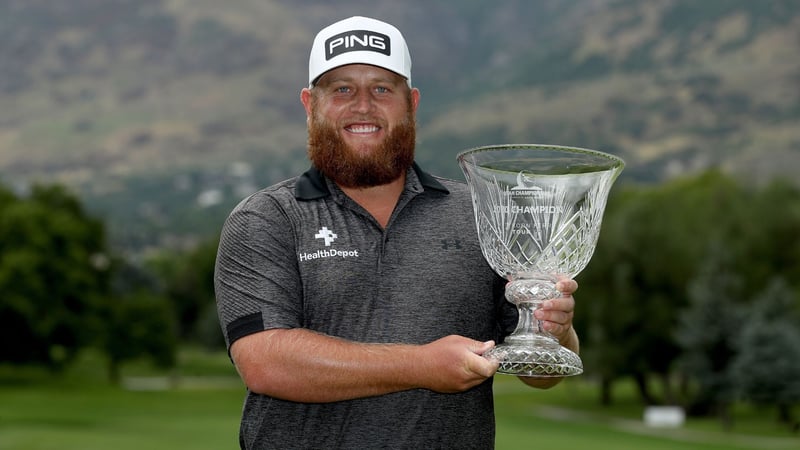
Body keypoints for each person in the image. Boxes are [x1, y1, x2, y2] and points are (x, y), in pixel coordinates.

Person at [214, 15, 580, 449]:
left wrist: (556, 332)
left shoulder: (484, 214)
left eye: (382, 89)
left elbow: (541, 376)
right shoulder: (266, 218)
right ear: (310, 104)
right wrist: (421, 366)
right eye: (342, 89)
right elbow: (265, 363)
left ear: (412, 103)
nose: (363, 105)